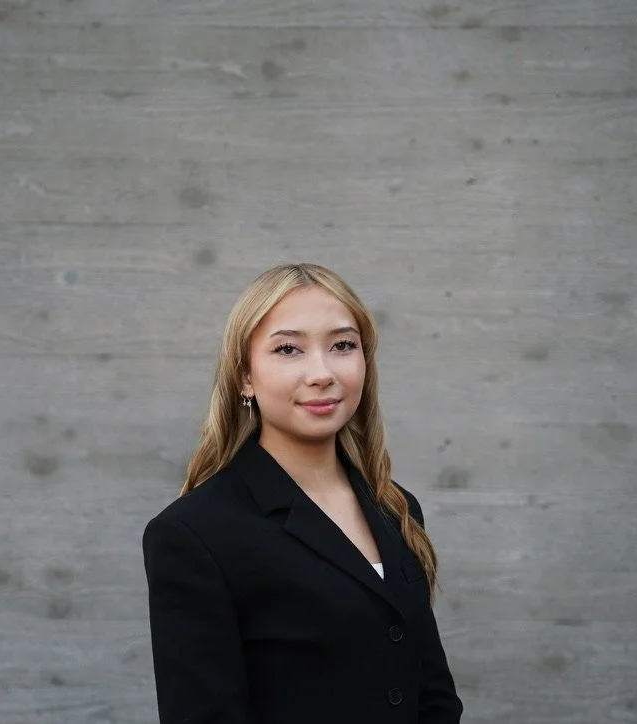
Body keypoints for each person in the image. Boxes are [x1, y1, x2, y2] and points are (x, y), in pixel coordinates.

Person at [142, 262, 463, 723]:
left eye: (343, 346)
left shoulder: (395, 506)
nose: (322, 373)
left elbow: (433, 696)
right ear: (245, 377)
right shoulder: (194, 534)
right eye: (289, 349)